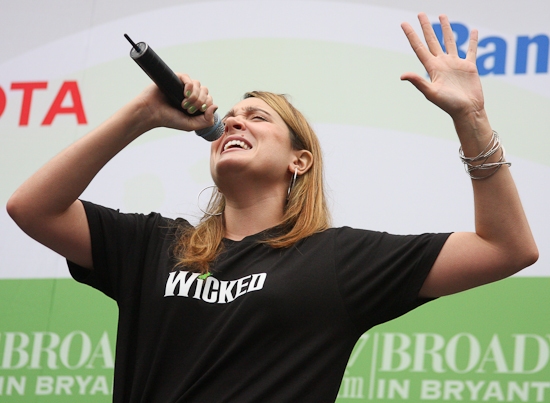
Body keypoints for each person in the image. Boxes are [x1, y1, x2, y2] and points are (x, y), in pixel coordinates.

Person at [6, 13, 538, 403]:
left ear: (299, 161)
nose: (234, 122)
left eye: (258, 118)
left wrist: (471, 118)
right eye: (231, 116)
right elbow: (33, 208)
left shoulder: (338, 260)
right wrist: (143, 113)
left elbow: (506, 248)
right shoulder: (154, 244)